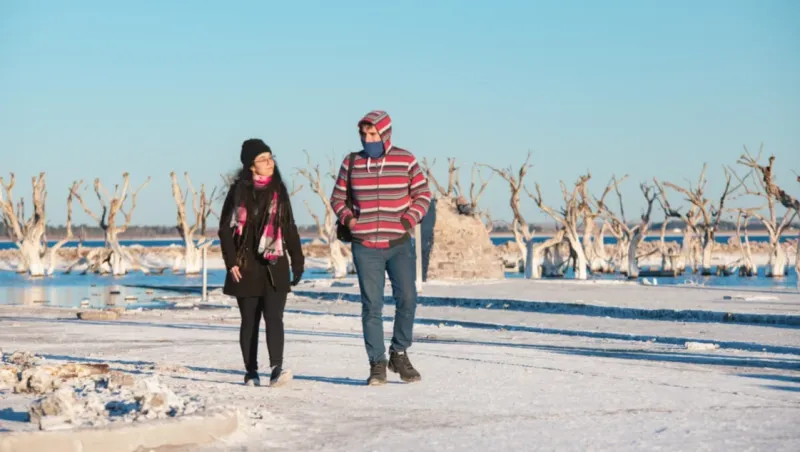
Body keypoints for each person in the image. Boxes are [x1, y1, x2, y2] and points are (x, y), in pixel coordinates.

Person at [330, 110, 432, 386]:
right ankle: (377, 363)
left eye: (372, 134)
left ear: (385, 134)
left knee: (408, 297)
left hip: (398, 243)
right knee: (372, 306)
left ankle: (399, 352)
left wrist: (408, 219)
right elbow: (337, 198)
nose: (367, 139)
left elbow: (423, 194)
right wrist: (350, 221)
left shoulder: (405, 159)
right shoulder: (351, 162)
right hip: (365, 246)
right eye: (363, 134)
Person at [218, 138, 304, 387]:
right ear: (251, 166)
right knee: (250, 320)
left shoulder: (279, 189)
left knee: (274, 317)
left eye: (270, 157)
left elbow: (288, 226)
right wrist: (231, 261)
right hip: (245, 266)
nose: (270, 162)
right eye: (263, 159)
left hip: (274, 263)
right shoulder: (238, 192)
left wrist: (297, 260)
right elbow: (225, 229)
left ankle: (276, 368)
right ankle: (251, 371)